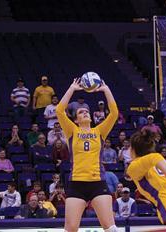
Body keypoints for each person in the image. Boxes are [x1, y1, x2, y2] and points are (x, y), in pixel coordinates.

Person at [55, 78, 119, 232]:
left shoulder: (99, 131)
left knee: (110, 228)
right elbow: (59, 110)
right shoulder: (72, 131)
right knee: (70, 229)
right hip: (77, 183)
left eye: (86, 111)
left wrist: (106, 89)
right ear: (76, 119)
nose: (85, 113)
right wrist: (71, 88)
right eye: (81, 112)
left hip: (98, 182)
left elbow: (114, 112)